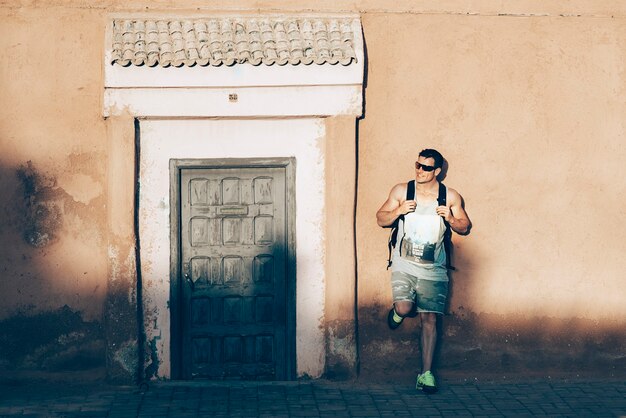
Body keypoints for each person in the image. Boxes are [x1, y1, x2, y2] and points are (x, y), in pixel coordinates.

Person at [376, 148, 470, 394]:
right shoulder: (402, 191)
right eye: (417, 165)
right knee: (405, 308)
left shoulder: (448, 196)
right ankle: (398, 312)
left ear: (437, 171)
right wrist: (398, 211)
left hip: (434, 269)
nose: (419, 171)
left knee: (429, 319)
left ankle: (425, 375)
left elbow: (465, 226)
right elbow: (380, 218)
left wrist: (450, 218)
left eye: (426, 168)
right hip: (404, 264)